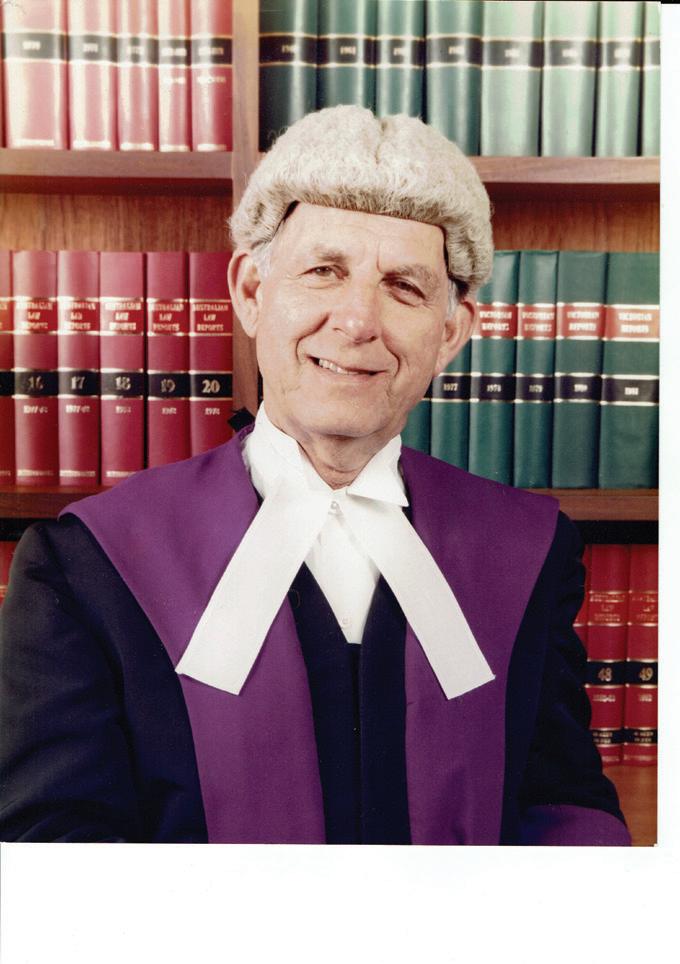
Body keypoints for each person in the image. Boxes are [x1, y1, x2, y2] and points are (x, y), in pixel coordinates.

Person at [0, 107, 629, 845]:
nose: (357, 320)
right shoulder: (89, 564)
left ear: (451, 332)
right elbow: (56, 856)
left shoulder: (529, 551)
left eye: (404, 286)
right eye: (323, 271)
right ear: (251, 292)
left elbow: (563, 807)